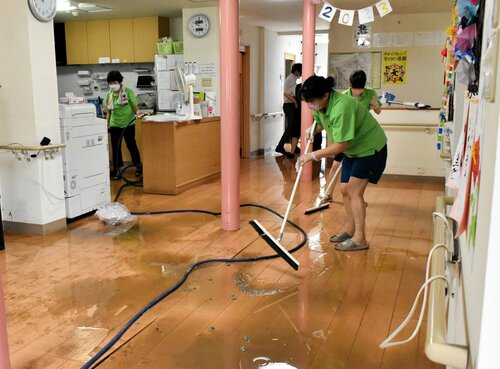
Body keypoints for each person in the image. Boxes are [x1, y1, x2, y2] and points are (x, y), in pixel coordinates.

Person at [298, 75, 387, 251]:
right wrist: (313, 129)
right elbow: (325, 123)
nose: (310, 105)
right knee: (344, 189)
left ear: (325, 95)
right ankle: (350, 229)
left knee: (354, 191)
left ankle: (360, 239)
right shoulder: (321, 105)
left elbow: (340, 144)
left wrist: (312, 155)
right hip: (352, 151)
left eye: (312, 101)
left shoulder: (342, 106)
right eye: (307, 101)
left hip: (370, 148)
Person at [323, 70, 382, 202]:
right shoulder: (343, 97)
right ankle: (328, 194)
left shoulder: (370, 93)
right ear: (350, 84)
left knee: (359, 174)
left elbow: (378, 112)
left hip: (360, 139)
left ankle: (357, 196)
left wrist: (376, 105)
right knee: (335, 166)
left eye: (361, 88)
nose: (358, 92)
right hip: (345, 136)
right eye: (355, 88)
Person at [106, 71, 142, 180]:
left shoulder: (128, 92)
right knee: (116, 147)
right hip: (115, 124)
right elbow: (108, 111)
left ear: (120, 82)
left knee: (131, 145)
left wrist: (138, 112)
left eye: (115, 82)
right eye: (110, 83)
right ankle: (117, 169)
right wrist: (107, 123)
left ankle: (138, 166)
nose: (112, 85)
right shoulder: (109, 94)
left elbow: (134, 106)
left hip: (128, 124)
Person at [275, 63, 302, 158]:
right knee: (291, 127)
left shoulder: (292, 79)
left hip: (289, 105)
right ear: (297, 71)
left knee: (292, 127)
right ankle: (280, 146)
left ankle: (293, 147)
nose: (301, 73)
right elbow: (286, 93)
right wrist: (294, 101)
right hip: (289, 105)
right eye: (301, 71)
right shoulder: (291, 79)